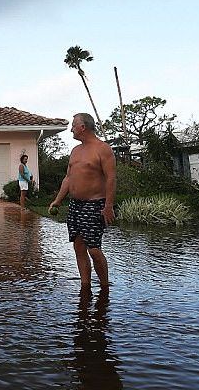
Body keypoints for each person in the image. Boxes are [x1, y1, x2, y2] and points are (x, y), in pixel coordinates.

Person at [48, 112, 117, 291]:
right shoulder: (75, 151)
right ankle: (85, 286)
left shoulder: (103, 149)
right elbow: (68, 178)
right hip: (75, 205)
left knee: (93, 248)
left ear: (82, 127)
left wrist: (108, 206)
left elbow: (111, 178)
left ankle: (104, 288)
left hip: (95, 204)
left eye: (73, 125)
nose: (71, 129)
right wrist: (57, 200)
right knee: (79, 246)